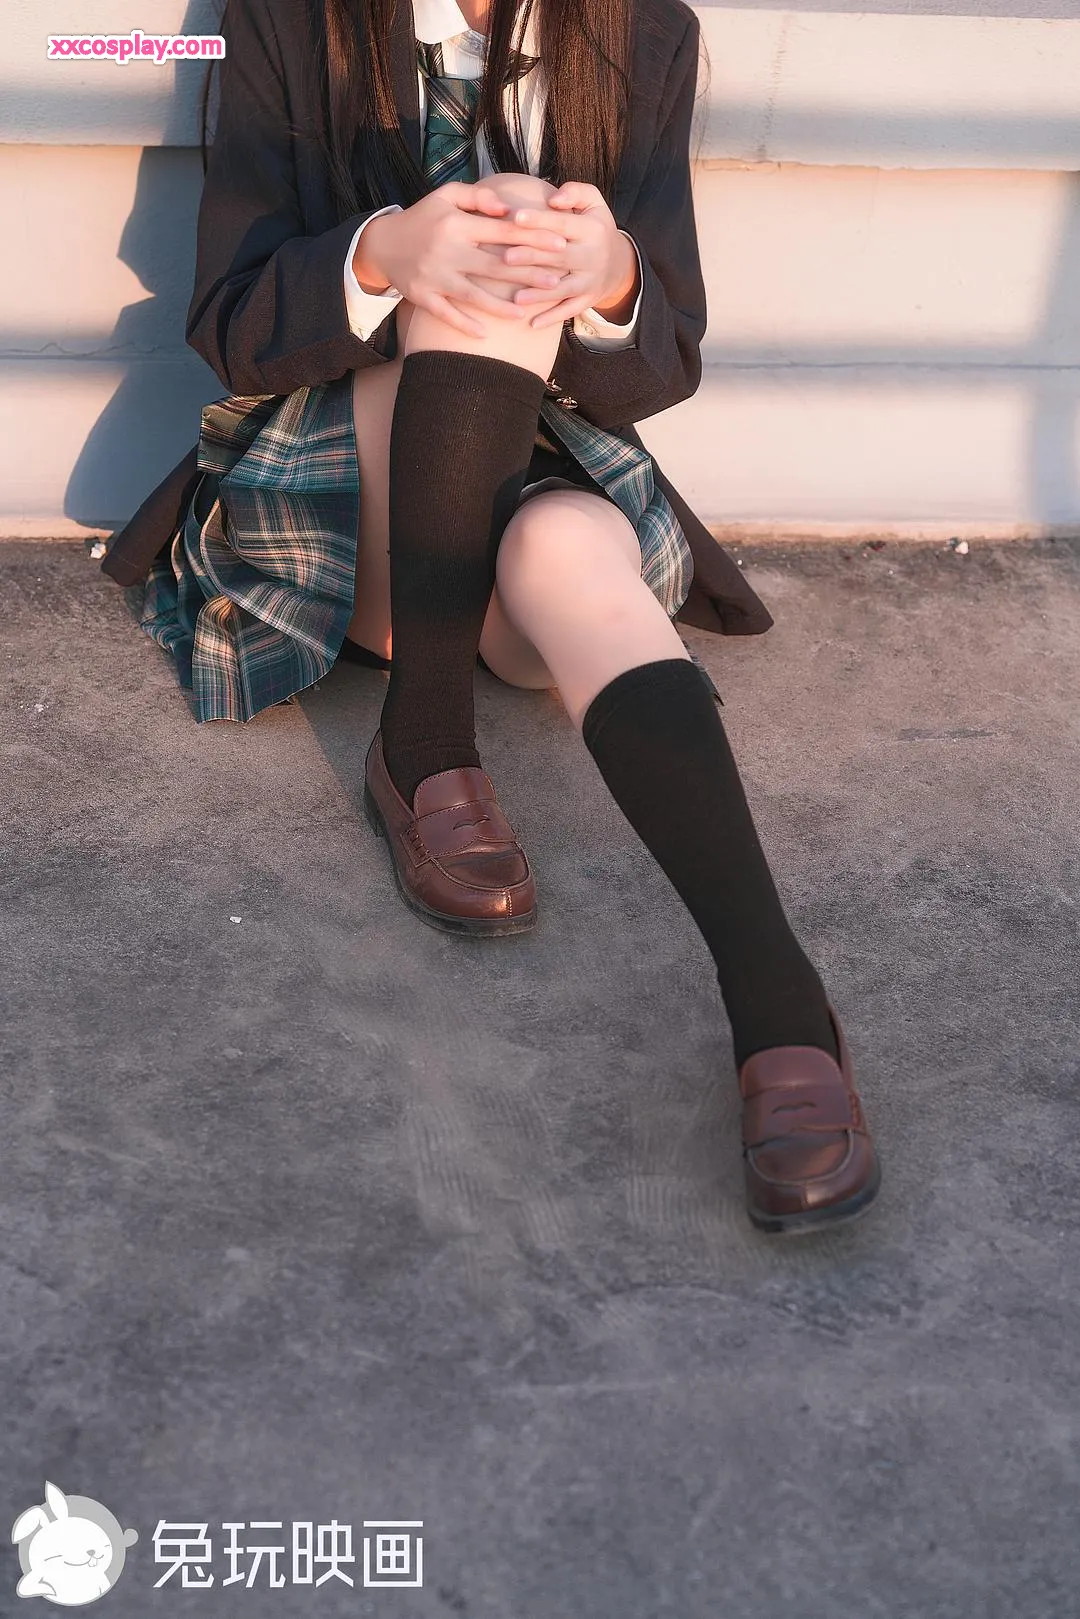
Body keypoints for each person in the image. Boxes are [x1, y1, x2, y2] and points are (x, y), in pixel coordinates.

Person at [112, 0, 880, 1233]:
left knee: (573, 545)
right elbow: (230, 326)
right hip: (349, 507)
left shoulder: (641, 33)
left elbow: (664, 357)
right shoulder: (287, 20)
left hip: (536, 469)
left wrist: (612, 275)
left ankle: (778, 998)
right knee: (491, 245)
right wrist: (384, 255)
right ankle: (427, 740)